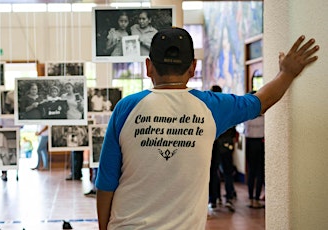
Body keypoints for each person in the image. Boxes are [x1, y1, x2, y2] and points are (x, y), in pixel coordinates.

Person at [95, 27, 319, 229]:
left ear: (148, 66)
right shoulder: (211, 107)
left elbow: (106, 181)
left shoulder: (125, 108)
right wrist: (287, 73)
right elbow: (262, 101)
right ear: (193, 67)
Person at [208, 85, 237, 213]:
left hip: (214, 145)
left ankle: (214, 200)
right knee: (227, 172)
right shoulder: (227, 107)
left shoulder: (209, 108)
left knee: (214, 173)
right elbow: (233, 125)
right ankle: (229, 198)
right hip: (226, 144)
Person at [243, 102, 265, 209]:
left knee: (251, 171)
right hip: (261, 143)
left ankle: (251, 198)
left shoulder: (247, 116)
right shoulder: (264, 117)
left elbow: (244, 130)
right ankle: (256, 198)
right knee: (260, 171)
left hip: (250, 143)